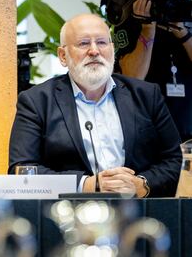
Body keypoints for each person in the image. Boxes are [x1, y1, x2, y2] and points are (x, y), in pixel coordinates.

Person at [9, 13, 182, 197]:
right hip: (67, 215)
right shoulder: (36, 101)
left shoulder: (146, 95)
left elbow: (176, 160)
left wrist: (142, 185)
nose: (94, 51)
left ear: (112, 49)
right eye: (83, 43)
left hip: (141, 214)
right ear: (62, 56)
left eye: (101, 42)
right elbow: (21, 170)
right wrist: (86, 185)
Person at [114, 0, 192, 142]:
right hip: (148, 139)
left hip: (187, 137)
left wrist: (183, 34)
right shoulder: (132, 19)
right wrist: (148, 28)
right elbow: (133, 78)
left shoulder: (185, 16)